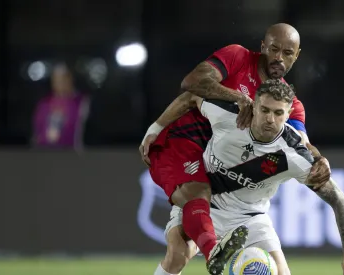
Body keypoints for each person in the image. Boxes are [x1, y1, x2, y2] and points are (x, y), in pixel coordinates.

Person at [141, 23, 331, 275]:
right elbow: (191, 85)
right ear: (263, 47)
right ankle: (215, 253)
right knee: (195, 202)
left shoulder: (289, 104)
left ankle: (214, 248)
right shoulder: (238, 57)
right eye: (274, 49)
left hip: (221, 166)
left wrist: (320, 159)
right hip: (183, 142)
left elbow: (303, 144)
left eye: (287, 53)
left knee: (178, 253)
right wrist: (155, 127)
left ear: (296, 56)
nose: (278, 58)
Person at [153, 80, 344, 275]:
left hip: (249, 218)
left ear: (288, 114)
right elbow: (193, 95)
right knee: (177, 255)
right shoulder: (227, 114)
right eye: (265, 110)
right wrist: (155, 129)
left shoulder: (294, 155)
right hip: (204, 205)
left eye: (278, 113)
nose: (270, 119)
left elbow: (338, 199)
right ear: (254, 106)